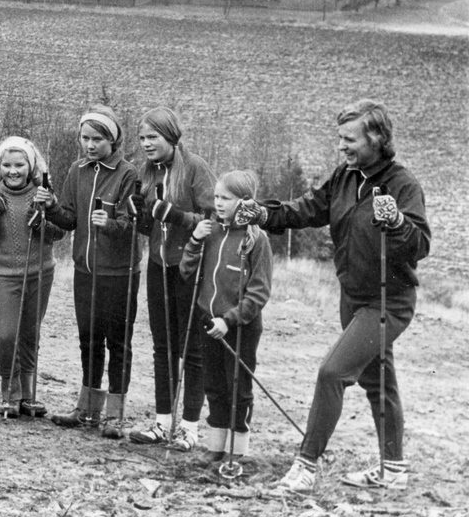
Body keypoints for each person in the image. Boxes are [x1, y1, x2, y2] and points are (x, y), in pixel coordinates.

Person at [237, 100, 430, 492]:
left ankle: (305, 467)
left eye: (349, 139)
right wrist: (263, 214)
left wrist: (395, 221)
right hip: (354, 297)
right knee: (379, 382)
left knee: (332, 372)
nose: (341, 146)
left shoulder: (402, 183)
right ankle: (393, 471)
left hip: (388, 301)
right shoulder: (345, 176)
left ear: (376, 139)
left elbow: (420, 243)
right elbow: (307, 209)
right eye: (339, 138)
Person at [43, 106, 139, 437]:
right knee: (89, 339)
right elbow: (68, 218)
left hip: (119, 273)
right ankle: (87, 409)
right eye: (85, 138)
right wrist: (50, 206)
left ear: (113, 140)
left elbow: (134, 224)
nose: (90, 145)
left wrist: (110, 224)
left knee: (118, 342)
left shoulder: (128, 174)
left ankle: (115, 414)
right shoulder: (77, 170)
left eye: (97, 139)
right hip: (85, 270)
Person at [128, 107, 216, 450]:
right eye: (142, 138)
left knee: (192, 349)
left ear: (171, 137)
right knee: (163, 346)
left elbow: (214, 218)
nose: (146, 144)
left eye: (153, 137)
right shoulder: (147, 172)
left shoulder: (194, 168)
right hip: (158, 265)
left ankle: (189, 427)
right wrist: (140, 217)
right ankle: (163, 423)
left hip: (190, 268)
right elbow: (152, 228)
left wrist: (179, 216)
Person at [180, 170, 272, 464]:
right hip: (208, 322)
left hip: (239, 327)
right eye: (216, 197)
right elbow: (186, 271)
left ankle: (238, 450)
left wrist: (229, 319)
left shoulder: (257, 240)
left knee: (239, 388)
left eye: (225, 198)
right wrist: (195, 240)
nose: (217, 203)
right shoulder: (211, 232)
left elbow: (258, 293)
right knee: (214, 385)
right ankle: (216, 445)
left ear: (244, 202)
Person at [0, 136, 65, 419]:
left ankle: (28, 396)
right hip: (3, 275)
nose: (13, 170)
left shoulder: (43, 192)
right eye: (7, 165)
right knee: (5, 337)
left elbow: (59, 234)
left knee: (29, 334)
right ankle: (9, 392)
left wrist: (44, 223)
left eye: (20, 164)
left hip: (40, 272)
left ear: (31, 165)